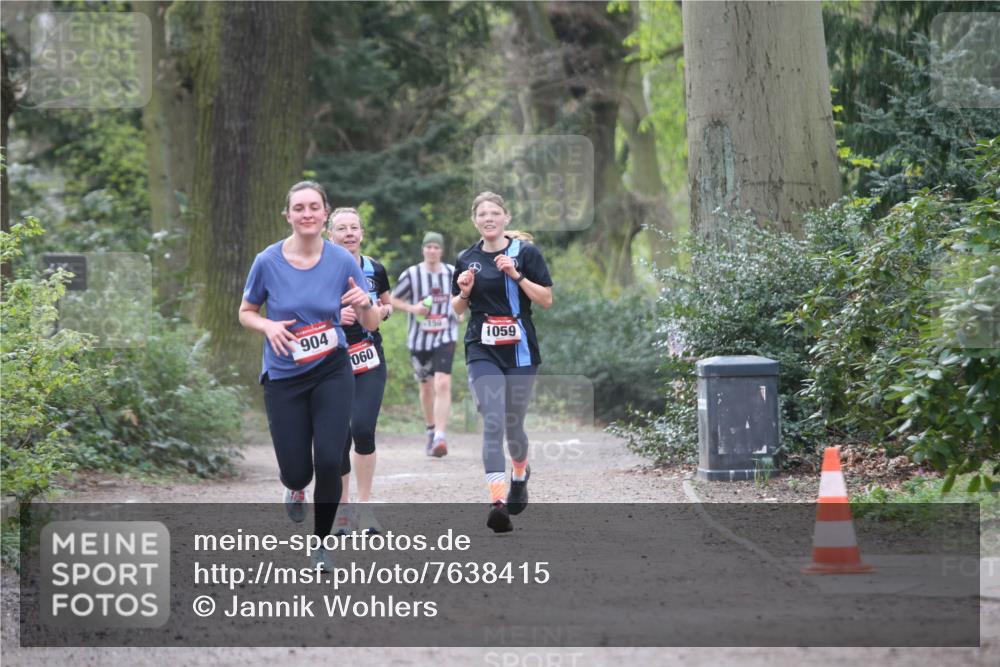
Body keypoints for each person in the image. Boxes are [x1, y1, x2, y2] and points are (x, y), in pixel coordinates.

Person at [238, 181, 380, 570]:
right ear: (288, 215)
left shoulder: (342, 260)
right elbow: (246, 311)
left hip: (332, 369)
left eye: (313, 207)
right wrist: (267, 327)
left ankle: (321, 544)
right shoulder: (267, 260)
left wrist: (365, 303)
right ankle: (295, 489)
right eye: (298, 208)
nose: (306, 214)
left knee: (330, 459)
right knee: (296, 470)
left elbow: (370, 321)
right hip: (285, 375)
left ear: (324, 214)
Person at [451, 192, 553, 533]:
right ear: (475, 220)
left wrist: (517, 276)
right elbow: (457, 309)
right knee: (493, 420)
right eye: (482, 214)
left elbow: (547, 300)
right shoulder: (467, 258)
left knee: (513, 424)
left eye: (495, 213)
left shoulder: (525, 253)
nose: (489, 218)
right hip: (482, 348)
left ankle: (520, 473)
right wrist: (464, 291)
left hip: (521, 349)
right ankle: (497, 502)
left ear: (506, 218)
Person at [327, 207, 392, 535]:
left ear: (362, 234)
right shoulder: (318, 269)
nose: (350, 233)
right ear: (330, 235)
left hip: (368, 357)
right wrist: (337, 314)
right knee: (338, 436)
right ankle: (342, 511)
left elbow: (386, 302)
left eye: (354, 228)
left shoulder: (375, 269)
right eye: (342, 228)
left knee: (363, 428)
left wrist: (381, 311)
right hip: (331, 359)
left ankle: (365, 511)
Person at [390, 231, 460, 457]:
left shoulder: (452, 273)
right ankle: (430, 429)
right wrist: (414, 308)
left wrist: (460, 310)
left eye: (436, 247)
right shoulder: (411, 274)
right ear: (423, 250)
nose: (432, 251)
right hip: (419, 337)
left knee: (442, 383)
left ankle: (440, 436)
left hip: (446, 334)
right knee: (426, 385)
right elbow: (391, 298)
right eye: (428, 247)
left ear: (442, 251)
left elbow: (464, 297)